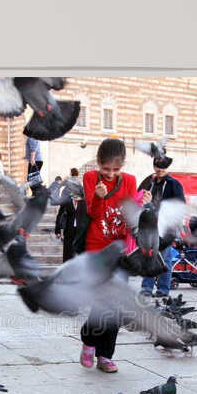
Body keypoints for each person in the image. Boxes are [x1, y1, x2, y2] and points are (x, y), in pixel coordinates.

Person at [78, 138, 137, 373]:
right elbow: (91, 213)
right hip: (96, 248)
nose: (110, 174)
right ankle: (89, 341)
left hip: (120, 250)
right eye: (106, 169)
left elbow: (130, 219)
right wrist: (99, 197)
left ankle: (105, 356)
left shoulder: (130, 181)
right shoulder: (90, 178)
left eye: (116, 169)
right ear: (98, 163)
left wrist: (140, 207)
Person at [137, 149, 187, 295]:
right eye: (157, 166)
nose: (159, 170)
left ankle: (162, 289)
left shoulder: (173, 184)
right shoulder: (152, 183)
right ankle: (147, 287)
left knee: (164, 258)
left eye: (162, 167)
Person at [52, 175, 88, 262]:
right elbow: (60, 214)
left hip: (81, 231)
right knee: (68, 253)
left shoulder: (84, 201)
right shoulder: (67, 200)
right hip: (69, 229)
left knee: (80, 253)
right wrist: (57, 230)